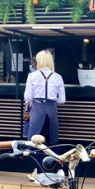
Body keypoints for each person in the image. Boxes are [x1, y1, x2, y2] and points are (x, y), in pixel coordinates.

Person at [23, 49, 66, 180]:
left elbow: (28, 96)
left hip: (37, 109)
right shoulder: (58, 77)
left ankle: (38, 171)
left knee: (36, 141)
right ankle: (60, 170)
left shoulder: (32, 76)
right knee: (53, 140)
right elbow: (62, 100)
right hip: (51, 109)